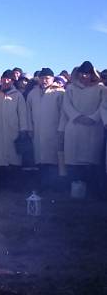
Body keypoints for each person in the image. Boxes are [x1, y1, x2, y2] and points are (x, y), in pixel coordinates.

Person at [59, 61, 104, 195]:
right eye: (82, 73)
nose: (84, 76)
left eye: (87, 73)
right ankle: (75, 192)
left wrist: (93, 118)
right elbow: (66, 105)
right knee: (74, 161)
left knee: (90, 161)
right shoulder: (71, 88)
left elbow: (104, 106)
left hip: (93, 128)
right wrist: (77, 116)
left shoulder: (101, 89)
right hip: (74, 127)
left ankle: (91, 192)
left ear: (92, 74)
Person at [26, 68, 65, 189]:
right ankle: (42, 185)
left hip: (54, 130)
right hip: (37, 131)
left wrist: (61, 129)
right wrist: (30, 128)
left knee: (53, 160)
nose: (44, 81)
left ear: (53, 79)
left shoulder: (59, 92)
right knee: (40, 160)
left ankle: (54, 186)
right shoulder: (32, 93)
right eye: (42, 78)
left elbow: (64, 112)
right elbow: (28, 112)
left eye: (47, 78)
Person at [0, 70, 28, 172]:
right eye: (4, 79)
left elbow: (22, 114)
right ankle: (0, 183)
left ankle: (14, 184)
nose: (6, 81)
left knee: (13, 160)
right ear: (1, 80)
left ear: (13, 82)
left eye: (9, 79)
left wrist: (23, 129)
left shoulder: (18, 96)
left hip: (13, 131)